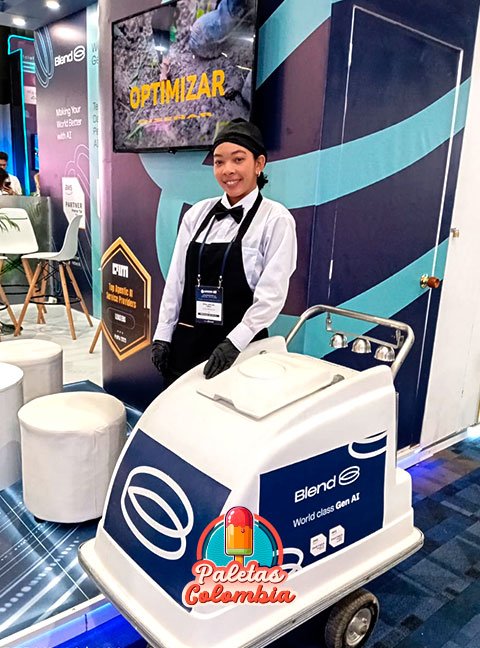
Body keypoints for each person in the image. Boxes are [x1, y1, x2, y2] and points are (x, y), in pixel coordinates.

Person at [151, 118, 297, 383]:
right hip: (188, 342)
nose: (228, 170)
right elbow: (176, 281)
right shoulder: (197, 214)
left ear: (259, 164)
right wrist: (163, 334)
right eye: (219, 162)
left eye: (238, 159)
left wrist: (235, 343)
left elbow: (271, 296)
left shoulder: (276, 219)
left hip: (242, 348)